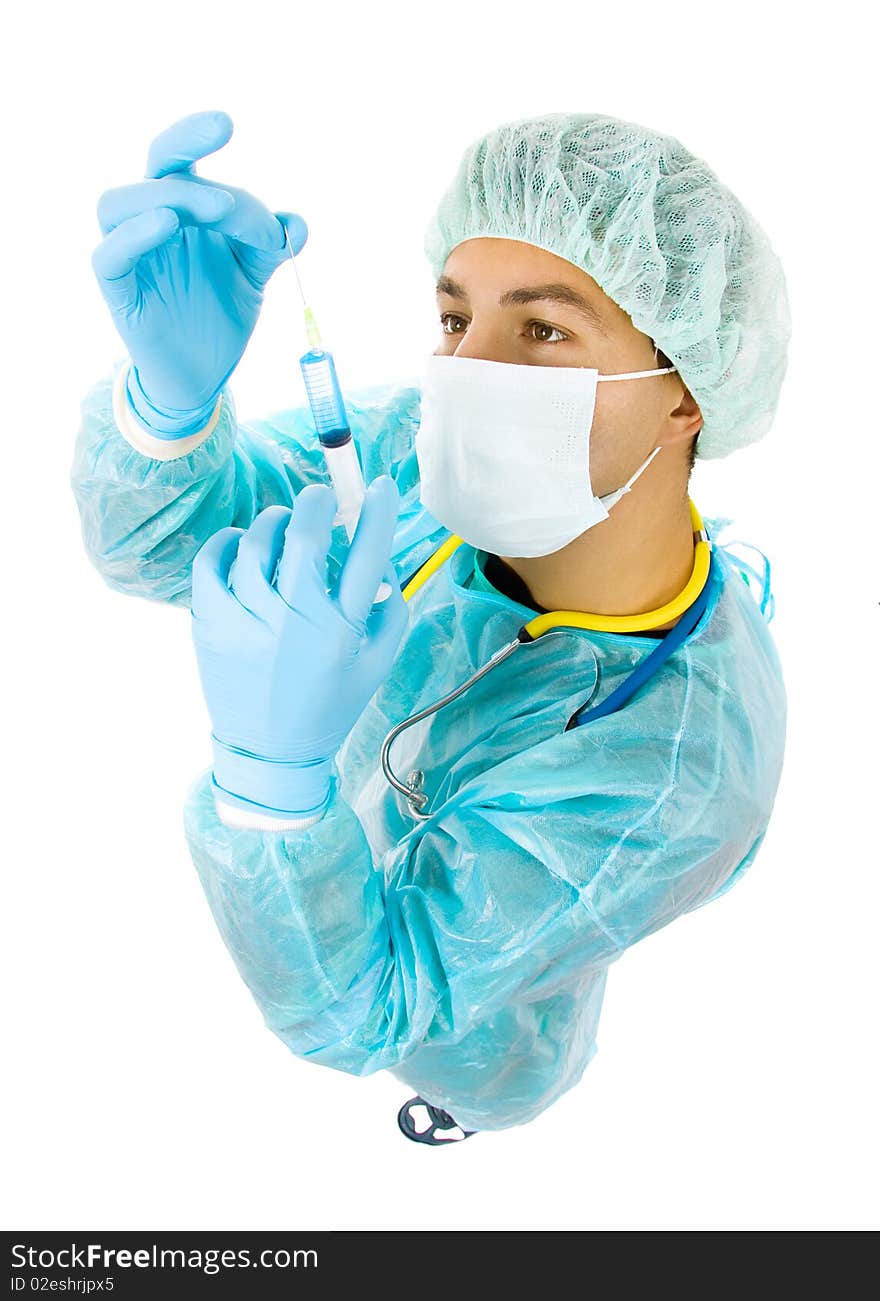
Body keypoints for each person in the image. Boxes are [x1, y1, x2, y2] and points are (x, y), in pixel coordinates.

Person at [71, 109, 791, 1141]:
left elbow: (366, 1001)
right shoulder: (418, 446)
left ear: (687, 398)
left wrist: (273, 782)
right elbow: (161, 537)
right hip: (337, 836)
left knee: (469, 1060)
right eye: (457, 320)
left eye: (541, 330)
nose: (470, 375)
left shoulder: (681, 762)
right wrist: (167, 408)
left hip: (471, 1043)